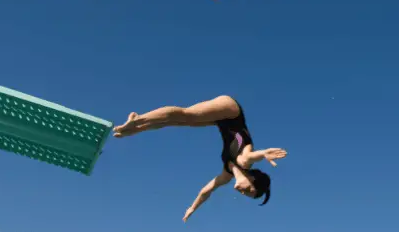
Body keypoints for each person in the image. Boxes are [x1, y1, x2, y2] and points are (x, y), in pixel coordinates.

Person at [113, 95, 288, 222]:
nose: (243, 192)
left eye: (246, 195)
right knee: (185, 115)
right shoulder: (244, 161)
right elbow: (251, 156)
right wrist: (264, 153)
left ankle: (134, 128)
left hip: (221, 120)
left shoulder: (227, 175)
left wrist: (192, 208)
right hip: (231, 111)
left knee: (179, 121)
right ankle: (138, 120)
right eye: (249, 190)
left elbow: (206, 191)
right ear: (252, 178)